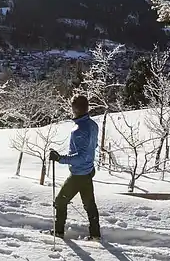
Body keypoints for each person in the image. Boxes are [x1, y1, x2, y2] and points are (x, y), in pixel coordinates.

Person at [49, 94, 101, 241]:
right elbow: (94, 146)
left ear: (75, 109)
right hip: (89, 171)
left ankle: (58, 232)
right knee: (89, 204)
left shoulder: (78, 129)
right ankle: (95, 234)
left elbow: (80, 156)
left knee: (60, 201)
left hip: (78, 174)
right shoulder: (93, 125)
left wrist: (60, 159)